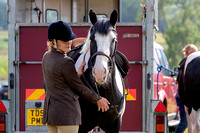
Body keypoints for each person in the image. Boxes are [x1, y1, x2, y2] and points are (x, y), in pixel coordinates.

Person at [42, 20, 110, 133]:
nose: (69, 42)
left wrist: (76, 75)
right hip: (67, 116)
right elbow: (79, 87)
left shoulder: (46, 57)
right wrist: (98, 99)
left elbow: (60, 82)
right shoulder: (66, 62)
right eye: (64, 41)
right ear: (53, 42)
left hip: (52, 116)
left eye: (69, 39)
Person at [175, 44, 198, 133]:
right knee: (185, 123)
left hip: (183, 96)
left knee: (189, 123)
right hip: (182, 97)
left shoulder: (185, 62)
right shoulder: (185, 62)